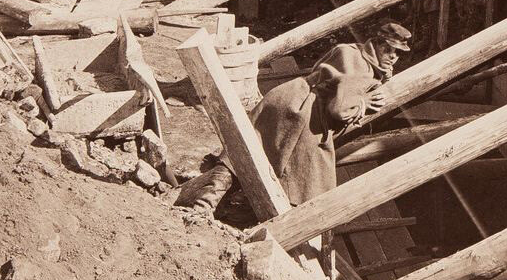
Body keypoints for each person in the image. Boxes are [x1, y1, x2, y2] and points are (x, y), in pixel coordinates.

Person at [175, 18, 412, 218]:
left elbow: (321, 69)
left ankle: (207, 205)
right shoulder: (360, 69)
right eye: (388, 49)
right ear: (377, 44)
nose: (392, 57)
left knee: (252, 148)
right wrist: (362, 103)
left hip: (288, 97)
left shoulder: (351, 50)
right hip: (304, 113)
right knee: (310, 176)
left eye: (397, 54)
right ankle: (216, 210)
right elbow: (339, 110)